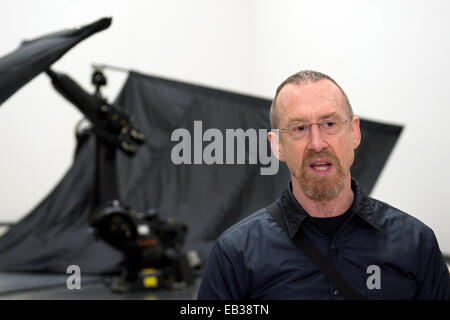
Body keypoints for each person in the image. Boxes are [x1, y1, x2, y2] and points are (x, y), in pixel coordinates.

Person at [196, 70, 450, 300]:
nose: (317, 143)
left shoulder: (415, 243)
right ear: (277, 145)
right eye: (299, 128)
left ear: (354, 133)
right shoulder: (235, 254)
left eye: (329, 124)